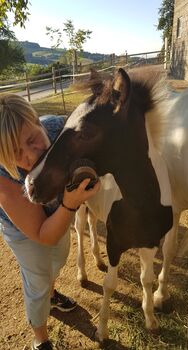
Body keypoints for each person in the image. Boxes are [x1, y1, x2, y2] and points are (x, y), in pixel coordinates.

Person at [0, 93, 100, 350]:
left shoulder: (61, 130)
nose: (30, 157)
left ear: (37, 120)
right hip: (23, 229)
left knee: (58, 258)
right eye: (14, 153)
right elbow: (44, 234)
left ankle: (52, 296)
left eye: (32, 139)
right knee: (38, 279)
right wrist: (70, 203)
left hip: (57, 209)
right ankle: (40, 339)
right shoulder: (2, 175)